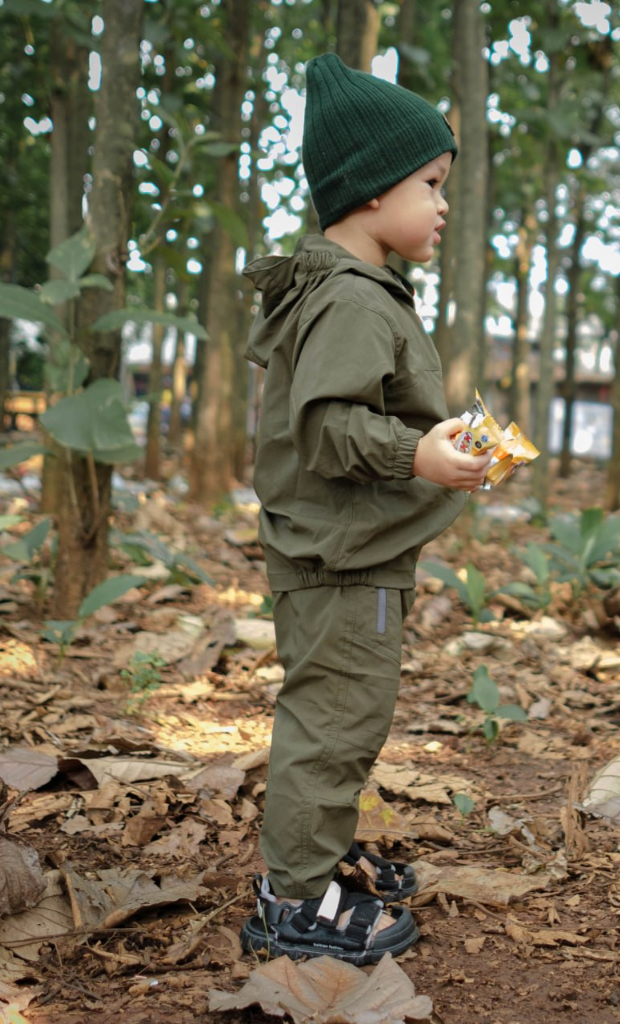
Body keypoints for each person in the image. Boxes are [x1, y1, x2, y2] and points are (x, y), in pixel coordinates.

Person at [239, 52, 491, 966]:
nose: (441, 203)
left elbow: (356, 413)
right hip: (340, 560)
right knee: (336, 722)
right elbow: (329, 428)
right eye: (430, 184)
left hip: (342, 550)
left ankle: (312, 856)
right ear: (373, 190)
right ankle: (295, 904)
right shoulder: (349, 297)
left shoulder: (348, 289)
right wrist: (414, 452)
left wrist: (436, 446)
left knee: (340, 715)